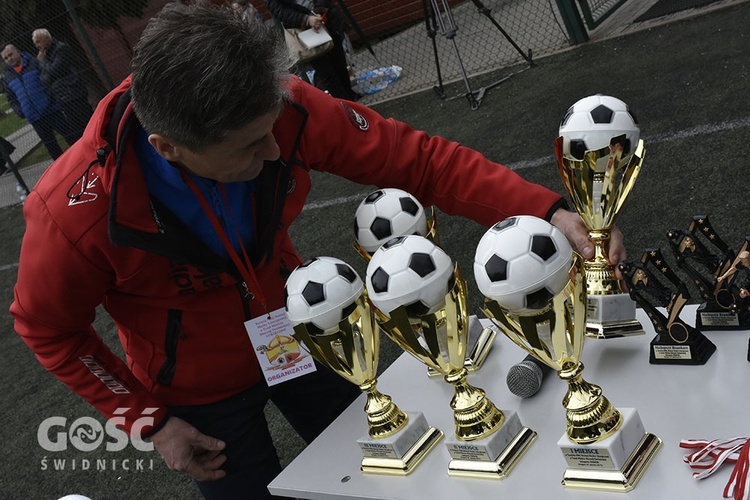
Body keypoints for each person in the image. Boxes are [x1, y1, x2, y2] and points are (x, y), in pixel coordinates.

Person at [10, 3, 625, 499]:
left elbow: (418, 160)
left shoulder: (285, 110)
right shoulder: (72, 212)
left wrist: (546, 209)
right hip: (196, 396)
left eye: (272, 129)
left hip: (304, 334)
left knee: (380, 476)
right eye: (251, 148)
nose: (276, 152)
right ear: (169, 148)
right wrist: (150, 420)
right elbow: (49, 330)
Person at [266, 0, 360, 101]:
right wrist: (306, 20)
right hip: (304, 32)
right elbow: (279, 11)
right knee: (327, 73)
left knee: (340, 63)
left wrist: (319, 10)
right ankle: (347, 104)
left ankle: (350, 97)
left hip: (327, 20)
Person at [1, 44, 77, 159]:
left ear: (17, 51)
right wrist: (21, 111)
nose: (9, 59)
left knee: (71, 137)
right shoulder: (8, 77)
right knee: (52, 148)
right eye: (6, 58)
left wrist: (49, 99)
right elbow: (12, 98)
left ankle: (84, 159)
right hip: (34, 118)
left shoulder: (34, 63)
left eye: (10, 55)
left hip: (52, 111)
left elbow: (49, 80)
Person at [32, 28, 93, 141]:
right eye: (35, 43)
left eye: (38, 42)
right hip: (61, 98)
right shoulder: (46, 55)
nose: (37, 46)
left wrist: (43, 62)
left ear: (46, 39)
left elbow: (56, 70)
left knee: (88, 123)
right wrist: (48, 68)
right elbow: (44, 79)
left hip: (74, 94)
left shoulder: (60, 49)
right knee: (78, 130)